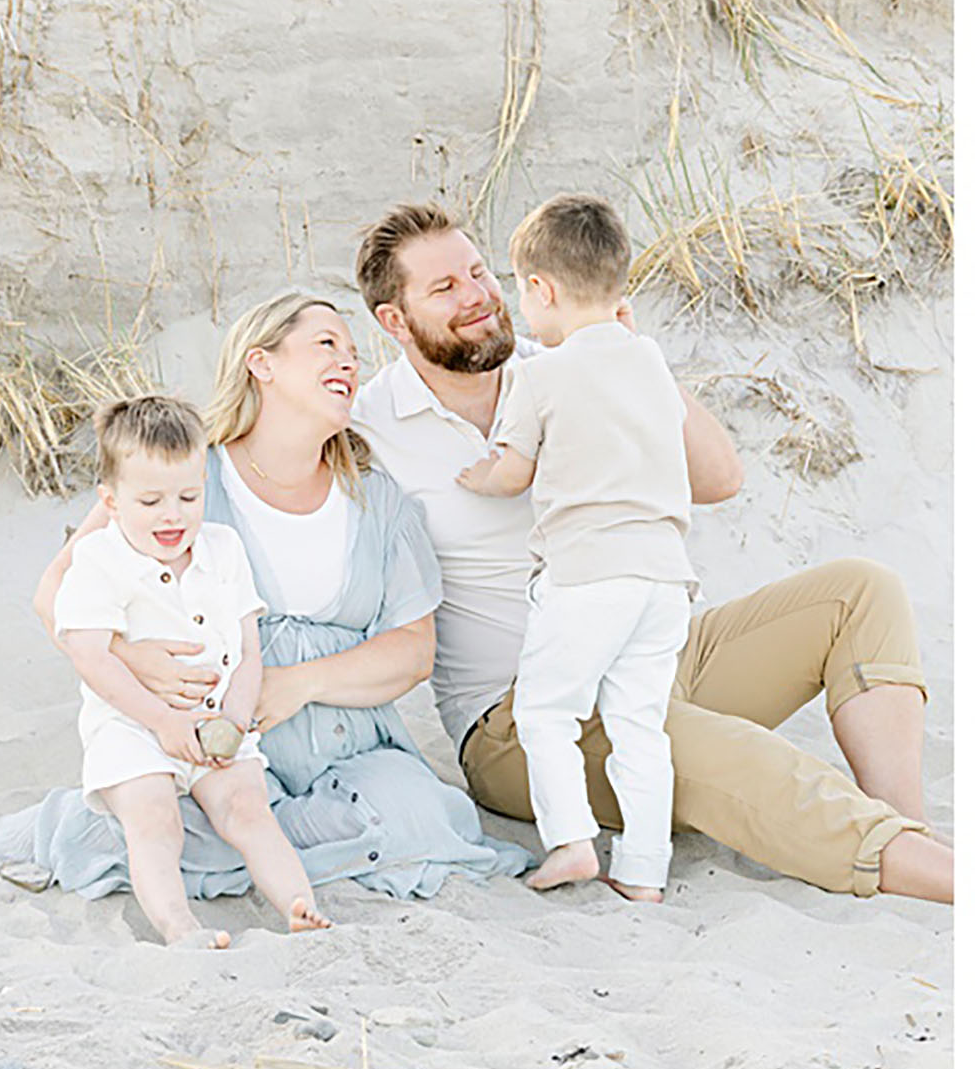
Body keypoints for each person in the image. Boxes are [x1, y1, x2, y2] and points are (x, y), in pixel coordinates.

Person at [351, 200, 951, 903]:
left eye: (479, 272)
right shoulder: (370, 427)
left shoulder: (570, 357)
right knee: (705, 748)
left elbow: (719, 478)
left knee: (860, 590)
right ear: (394, 320)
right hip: (520, 718)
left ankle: (910, 836)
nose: (478, 296)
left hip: (646, 650)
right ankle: (938, 874)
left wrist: (638, 361)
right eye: (444, 288)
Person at [0, 292, 529, 910]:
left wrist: (296, 684)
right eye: (326, 344)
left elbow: (412, 653)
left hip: (353, 749)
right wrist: (131, 656)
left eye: (355, 354)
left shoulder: (379, 500)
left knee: (419, 817)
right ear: (261, 363)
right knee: (175, 820)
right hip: (221, 752)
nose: (350, 363)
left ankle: (255, 848)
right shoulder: (188, 482)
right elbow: (54, 593)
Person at [455, 195, 694, 901]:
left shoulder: (540, 373)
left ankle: (571, 842)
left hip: (588, 573)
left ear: (542, 289)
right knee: (639, 726)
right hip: (664, 577)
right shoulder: (649, 359)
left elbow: (515, 471)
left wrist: (480, 473)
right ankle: (645, 872)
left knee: (545, 712)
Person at [54, 394, 326, 947]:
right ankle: (179, 927)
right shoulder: (99, 560)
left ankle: (300, 908)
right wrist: (160, 721)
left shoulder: (223, 549)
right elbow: (89, 653)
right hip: (134, 726)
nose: (173, 515)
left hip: (216, 721)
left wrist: (236, 713)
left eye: (189, 496)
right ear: (110, 500)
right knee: (154, 817)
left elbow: (248, 650)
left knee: (249, 808)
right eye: (150, 501)